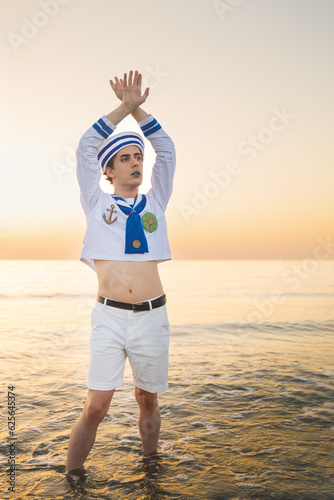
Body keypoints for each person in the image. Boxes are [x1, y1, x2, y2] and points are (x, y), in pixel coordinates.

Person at [65, 70, 176, 483]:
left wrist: (141, 112)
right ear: (108, 171)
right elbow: (84, 148)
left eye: (137, 157)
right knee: (97, 406)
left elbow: (165, 148)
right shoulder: (96, 203)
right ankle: (72, 476)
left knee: (147, 398)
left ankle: (151, 470)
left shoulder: (156, 202)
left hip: (152, 316)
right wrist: (123, 109)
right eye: (126, 158)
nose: (136, 162)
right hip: (109, 317)